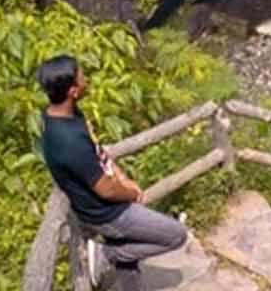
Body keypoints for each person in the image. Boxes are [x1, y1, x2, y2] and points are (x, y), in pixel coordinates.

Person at [37, 55, 187, 291]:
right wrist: (131, 192)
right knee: (176, 235)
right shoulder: (68, 142)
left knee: (130, 269)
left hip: (102, 206)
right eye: (82, 77)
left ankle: (121, 267)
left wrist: (122, 177)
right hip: (107, 214)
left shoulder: (62, 113)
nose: (87, 80)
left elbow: (96, 149)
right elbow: (105, 190)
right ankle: (107, 255)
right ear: (73, 91)